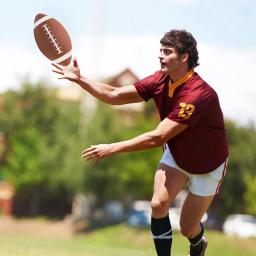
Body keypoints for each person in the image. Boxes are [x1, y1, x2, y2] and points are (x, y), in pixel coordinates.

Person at [52, 29, 229, 256]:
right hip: (177, 155)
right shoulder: (160, 80)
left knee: (187, 227)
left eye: (167, 52)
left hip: (207, 165)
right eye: (160, 51)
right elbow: (114, 94)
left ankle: (197, 242)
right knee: (157, 204)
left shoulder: (198, 94)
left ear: (184, 57)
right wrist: (80, 79)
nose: (160, 56)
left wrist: (112, 148)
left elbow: (158, 137)